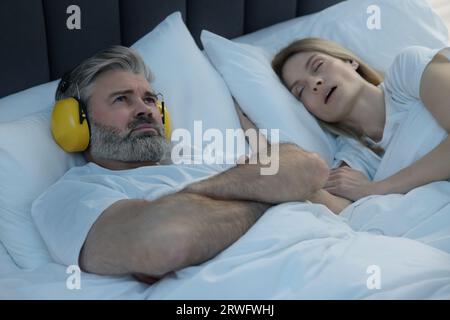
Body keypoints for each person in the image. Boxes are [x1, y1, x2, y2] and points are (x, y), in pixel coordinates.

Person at [31, 45, 330, 284]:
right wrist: (270, 191)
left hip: (337, 256)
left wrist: (194, 196)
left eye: (150, 100)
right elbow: (165, 241)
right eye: (121, 99)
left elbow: (308, 167)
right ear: (75, 122)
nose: (145, 110)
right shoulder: (71, 196)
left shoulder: (202, 162)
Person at [268, 37, 450, 202]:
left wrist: (379, 188)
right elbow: (342, 212)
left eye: (317, 65)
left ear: (350, 61)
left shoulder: (407, 70)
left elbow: (369, 192)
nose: (314, 83)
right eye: (300, 90)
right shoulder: (352, 160)